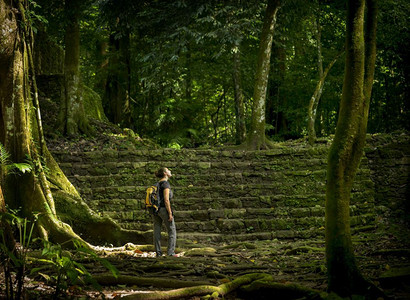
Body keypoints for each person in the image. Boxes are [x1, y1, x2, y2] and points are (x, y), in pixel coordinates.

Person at [153, 167, 177, 257]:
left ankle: (158, 253)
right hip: (164, 209)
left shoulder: (157, 184)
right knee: (172, 230)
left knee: (157, 231)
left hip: (156, 210)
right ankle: (170, 252)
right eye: (168, 170)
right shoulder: (165, 184)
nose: (170, 171)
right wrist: (170, 213)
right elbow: (166, 200)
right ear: (165, 173)